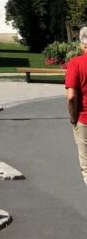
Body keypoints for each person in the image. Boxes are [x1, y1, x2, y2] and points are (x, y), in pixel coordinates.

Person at [65, 25, 87, 188]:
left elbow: (71, 97)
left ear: (83, 44)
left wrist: (73, 118)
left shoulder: (76, 64)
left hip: (84, 119)